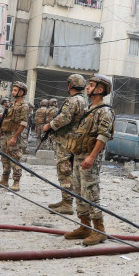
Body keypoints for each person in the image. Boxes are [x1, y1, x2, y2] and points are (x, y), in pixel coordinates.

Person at [63, 74, 115, 246]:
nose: (87, 87)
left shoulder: (105, 111)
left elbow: (103, 135)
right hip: (79, 156)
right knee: (78, 191)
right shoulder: (89, 109)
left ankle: (99, 230)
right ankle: (84, 226)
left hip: (89, 158)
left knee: (90, 193)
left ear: (100, 90)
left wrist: (92, 157)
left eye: (91, 85)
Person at [43, 75, 88, 215]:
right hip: (75, 139)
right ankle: (65, 200)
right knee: (68, 169)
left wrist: (48, 126)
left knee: (64, 169)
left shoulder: (73, 100)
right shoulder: (84, 100)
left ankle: (67, 203)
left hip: (66, 140)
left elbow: (64, 118)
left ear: (70, 85)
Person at [0, 81, 31, 192]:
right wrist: (0, 133)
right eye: (13, 90)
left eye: (15, 90)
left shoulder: (24, 106)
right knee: (4, 158)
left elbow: (23, 123)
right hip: (6, 134)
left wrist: (15, 137)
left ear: (21, 92)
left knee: (15, 158)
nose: (13, 92)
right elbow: (5, 120)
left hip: (15, 135)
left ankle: (16, 182)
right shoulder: (12, 105)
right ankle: (4, 180)